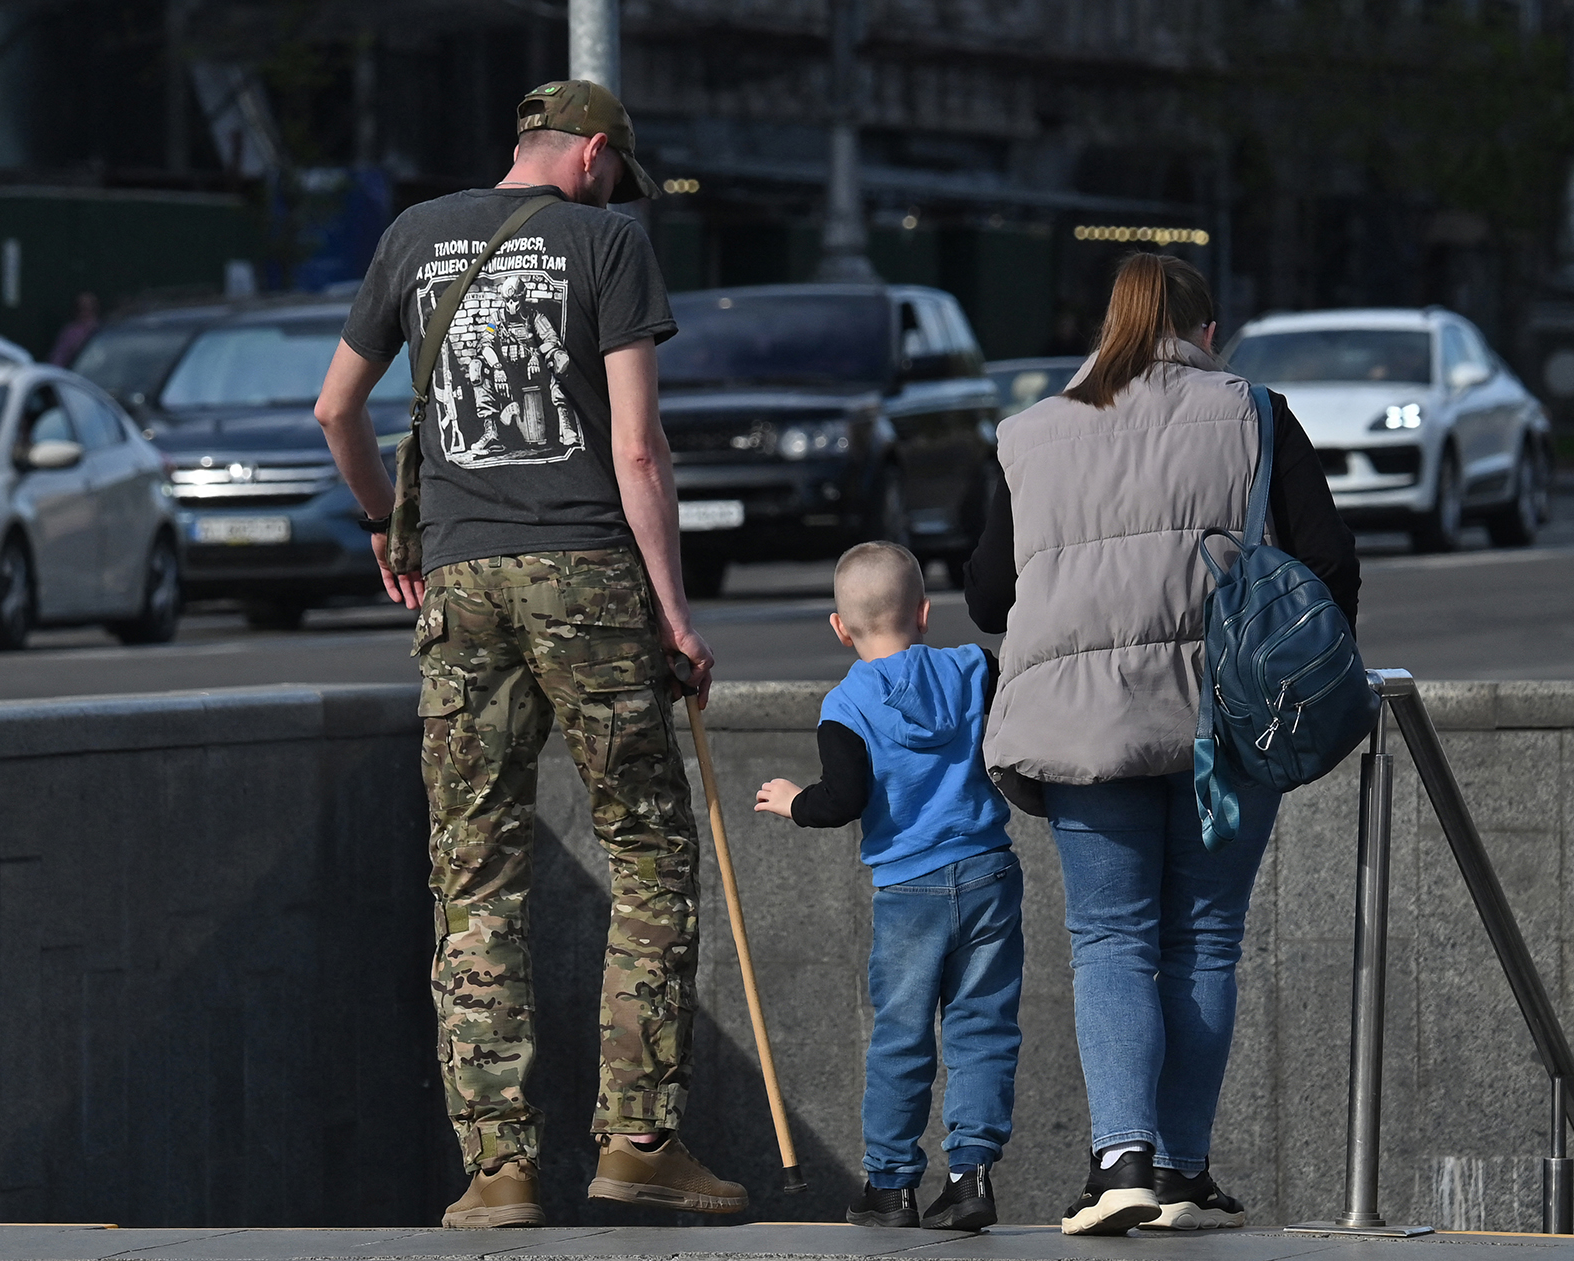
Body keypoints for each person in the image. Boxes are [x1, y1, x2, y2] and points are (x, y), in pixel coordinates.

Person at [313, 80, 740, 1228]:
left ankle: (498, 1167)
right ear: (593, 153)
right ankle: (637, 1137)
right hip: (586, 570)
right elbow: (638, 451)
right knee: (646, 844)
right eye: (616, 171)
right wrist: (676, 615)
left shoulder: (409, 236)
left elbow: (334, 410)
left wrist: (379, 523)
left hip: (456, 579)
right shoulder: (606, 243)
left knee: (473, 867)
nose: (616, 190)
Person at [964, 252, 1359, 1235]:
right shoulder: (1255, 412)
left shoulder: (1029, 433)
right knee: (1203, 942)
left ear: (1108, 328)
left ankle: (1119, 1161)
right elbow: (1327, 563)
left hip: (1078, 721)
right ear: (1206, 334)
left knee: (1108, 941)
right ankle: (1181, 1170)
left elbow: (981, 593)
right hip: (1225, 720)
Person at [754, 541, 1021, 1234]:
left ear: (840, 629)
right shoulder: (971, 668)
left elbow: (843, 797)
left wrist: (793, 801)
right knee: (982, 1027)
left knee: (902, 1037)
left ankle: (891, 1183)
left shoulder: (847, 704)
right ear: (926, 614)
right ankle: (970, 1176)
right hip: (989, 870)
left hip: (909, 890)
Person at [49, 292, 101, 366]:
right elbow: (57, 360)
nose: (86, 312)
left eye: (90, 308)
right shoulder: (69, 333)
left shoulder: (104, 330)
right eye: (82, 308)